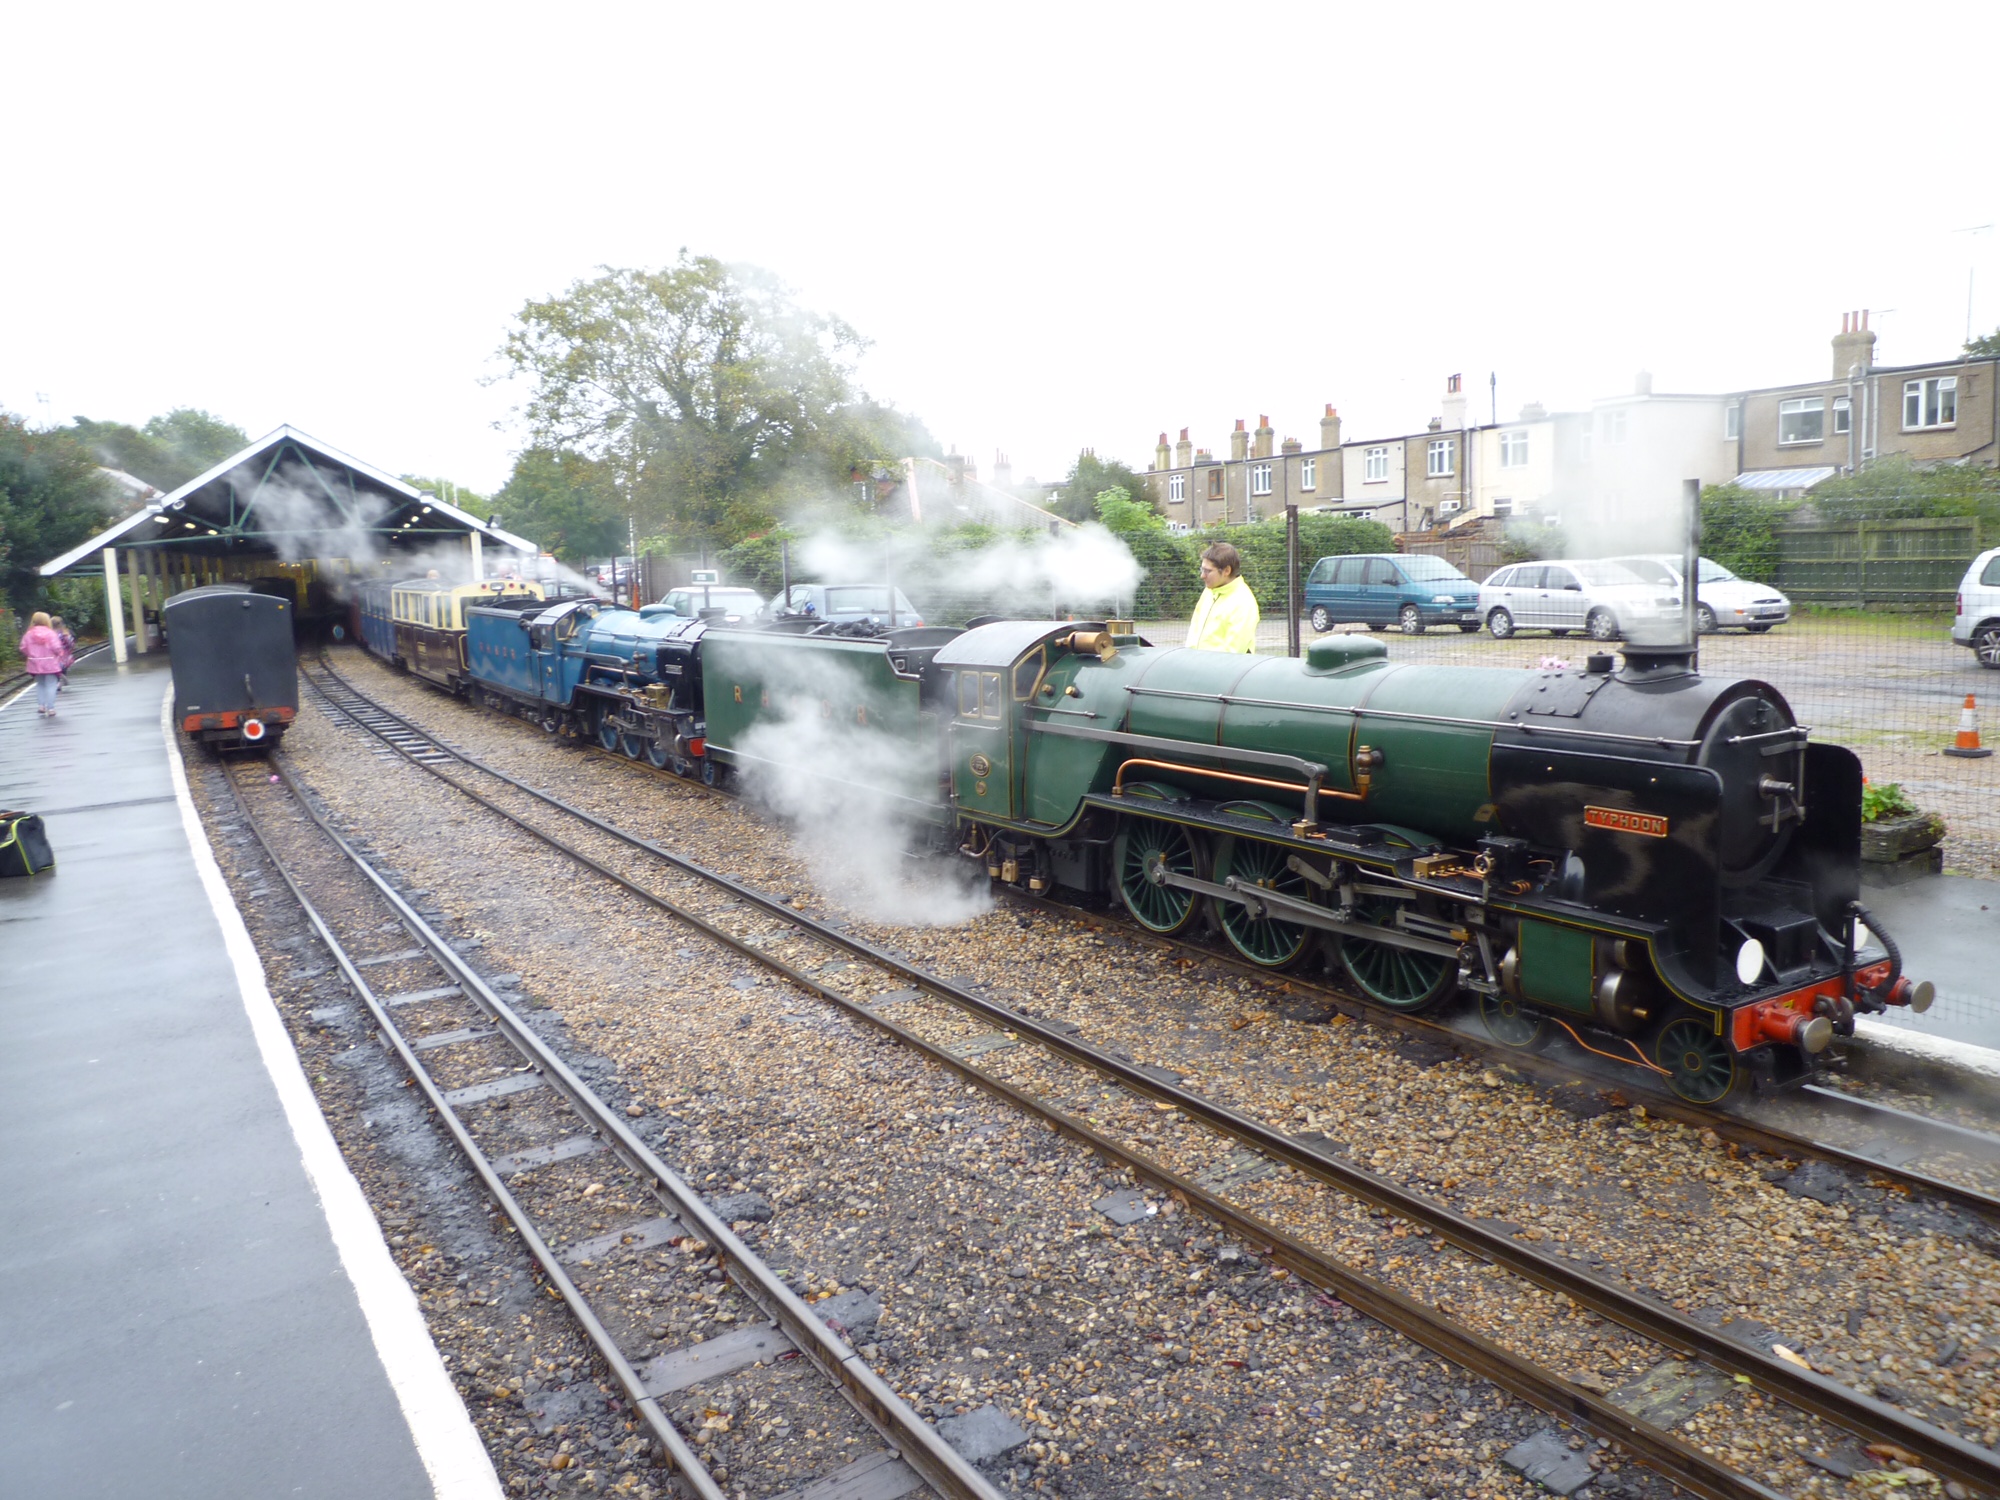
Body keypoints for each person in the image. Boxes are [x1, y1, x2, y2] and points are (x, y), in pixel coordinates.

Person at [1186, 542, 1259, 653]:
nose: (1202, 576)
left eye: (1208, 571)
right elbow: (1194, 629)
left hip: (1223, 669)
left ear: (1226, 571)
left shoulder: (1244, 602)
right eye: (1202, 570)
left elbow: (1234, 652)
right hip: (1198, 666)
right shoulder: (1209, 591)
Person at [19, 611, 65, 717]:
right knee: (51, 685)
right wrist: (60, 654)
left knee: (40, 684)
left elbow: (23, 647)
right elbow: (57, 648)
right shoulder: (50, 633)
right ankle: (51, 708)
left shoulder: (29, 634)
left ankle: (41, 706)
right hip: (50, 663)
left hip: (35, 663)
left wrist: (31, 654)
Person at [50, 615, 75, 690]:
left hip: (54, 654)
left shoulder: (49, 633)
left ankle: (58, 682)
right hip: (65, 653)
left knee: (55, 669)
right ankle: (62, 678)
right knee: (64, 667)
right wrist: (71, 647)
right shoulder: (64, 633)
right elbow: (70, 642)